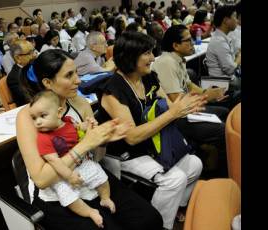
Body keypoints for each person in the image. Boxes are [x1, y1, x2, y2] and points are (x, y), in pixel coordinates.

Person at [16, 49, 163, 229]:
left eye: (76, 72)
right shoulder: (29, 116)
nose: (78, 80)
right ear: (48, 82)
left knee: (150, 219)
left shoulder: (79, 103)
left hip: (88, 175)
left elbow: (97, 157)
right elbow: (42, 180)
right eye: (69, 75)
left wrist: (102, 140)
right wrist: (86, 144)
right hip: (57, 191)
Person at [96, 31, 204, 230]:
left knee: (195, 164)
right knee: (175, 179)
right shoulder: (113, 90)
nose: (153, 58)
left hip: (154, 143)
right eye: (147, 53)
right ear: (130, 57)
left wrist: (187, 106)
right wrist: (173, 114)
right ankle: (159, 225)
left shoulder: (148, 77)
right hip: (126, 154)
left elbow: (169, 106)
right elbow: (132, 137)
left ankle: (175, 206)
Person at [30, 90, 116, 228]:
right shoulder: (43, 138)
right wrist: (69, 176)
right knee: (67, 196)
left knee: (99, 174)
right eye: (34, 118)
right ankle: (90, 212)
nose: (38, 122)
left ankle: (105, 198)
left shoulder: (69, 121)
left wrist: (88, 125)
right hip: (61, 173)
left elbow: (79, 128)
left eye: (42, 116)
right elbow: (54, 161)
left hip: (81, 163)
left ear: (59, 113)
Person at [152, 25, 228, 176]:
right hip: (177, 117)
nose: (193, 42)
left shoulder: (178, 60)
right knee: (222, 130)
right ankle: (219, 173)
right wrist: (206, 97)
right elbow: (177, 101)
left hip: (187, 108)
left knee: (225, 111)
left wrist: (207, 93)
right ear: (176, 45)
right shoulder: (166, 62)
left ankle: (208, 151)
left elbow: (189, 85)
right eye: (188, 40)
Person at [205, 4, 241, 107]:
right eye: (234, 17)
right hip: (225, 83)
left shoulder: (223, 38)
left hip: (228, 80)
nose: (236, 21)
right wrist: (239, 58)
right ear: (226, 20)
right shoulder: (219, 42)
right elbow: (230, 69)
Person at [7, 40, 37, 106]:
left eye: (34, 51)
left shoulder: (35, 66)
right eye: (30, 53)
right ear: (18, 58)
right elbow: (30, 100)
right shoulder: (14, 78)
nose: (35, 55)